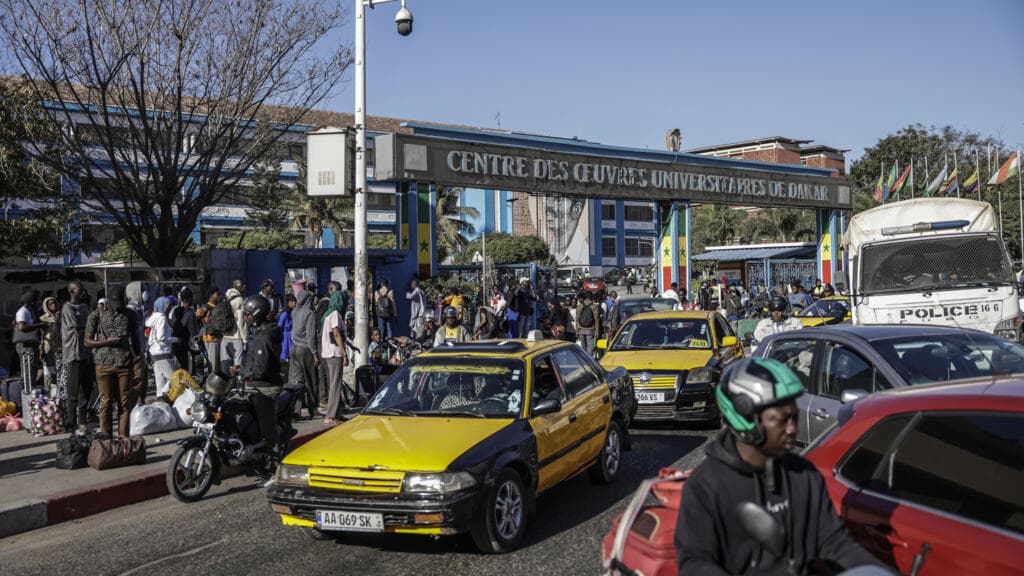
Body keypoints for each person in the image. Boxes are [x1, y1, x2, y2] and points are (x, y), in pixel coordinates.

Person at [675, 358, 880, 574]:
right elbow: (695, 563)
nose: (792, 429)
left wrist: (875, 571)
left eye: (794, 417)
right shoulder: (706, 485)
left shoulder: (805, 475)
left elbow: (834, 542)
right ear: (746, 420)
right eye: (782, 420)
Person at [233, 295, 283, 475]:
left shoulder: (264, 336)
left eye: (247, 314)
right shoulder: (262, 332)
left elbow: (260, 370)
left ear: (257, 314)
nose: (245, 318)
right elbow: (257, 362)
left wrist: (243, 372)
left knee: (267, 432)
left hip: (265, 388)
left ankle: (276, 470)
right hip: (255, 384)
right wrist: (243, 368)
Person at [85, 286, 140, 438]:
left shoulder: (131, 315)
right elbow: (87, 342)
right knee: (106, 401)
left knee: (124, 402)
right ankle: (106, 437)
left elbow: (136, 340)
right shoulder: (96, 315)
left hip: (124, 363)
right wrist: (106, 341)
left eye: (120, 301)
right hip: (103, 363)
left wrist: (139, 356)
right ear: (108, 301)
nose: (118, 305)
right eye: (115, 301)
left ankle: (123, 438)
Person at [62, 282, 94, 434]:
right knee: (73, 391)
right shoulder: (67, 308)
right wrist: (88, 331)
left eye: (82, 290)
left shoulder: (84, 307)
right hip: (74, 353)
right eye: (78, 291)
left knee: (85, 390)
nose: (81, 293)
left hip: (86, 353)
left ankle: (82, 421)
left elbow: (91, 325)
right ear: (71, 291)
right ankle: (70, 423)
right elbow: (77, 330)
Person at [288, 290, 321, 419]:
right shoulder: (309, 313)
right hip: (305, 350)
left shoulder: (294, 311)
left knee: (296, 382)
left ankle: (296, 410)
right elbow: (311, 336)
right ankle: (313, 409)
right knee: (311, 380)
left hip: (294, 348)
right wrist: (315, 354)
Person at [320, 290, 348, 424]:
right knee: (335, 384)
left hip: (327, 353)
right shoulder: (335, 314)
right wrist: (344, 353)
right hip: (334, 353)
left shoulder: (327, 314)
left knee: (333, 383)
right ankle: (330, 415)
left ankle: (336, 413)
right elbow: (336, 333)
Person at [145, 296, 179, 398]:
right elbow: (161, 337)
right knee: (173, 380)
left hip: (154, 353)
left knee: (160, 381)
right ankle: (168, 399)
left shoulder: (154, 317)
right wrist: (175, 339)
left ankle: (160, 400)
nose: (169, 308)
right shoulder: (162, 318)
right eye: (168, 306)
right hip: (162, 353)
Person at [14, 289, 43, 391]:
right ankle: (28, 393)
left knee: (32, 369)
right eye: (37, 300)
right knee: (28, 370)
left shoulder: (29, 311)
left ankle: (31, 390)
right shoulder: (22, 312)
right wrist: (39, 325)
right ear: (32, 301)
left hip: (31, 345)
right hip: (25, 346)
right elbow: (22, 327)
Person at [220, 279, 247, 375]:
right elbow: (241, 321)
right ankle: (237, 386)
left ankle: (225, 385)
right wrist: (245, 340)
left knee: (225, 364)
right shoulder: (240, 300)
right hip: (236, 336)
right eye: (243, 285)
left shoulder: (226, 297)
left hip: (225, 335)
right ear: (238, 286)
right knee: (237, 366)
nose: (244, 287)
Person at [168, 287, 198, 374]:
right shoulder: (190, 313)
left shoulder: (175, 311)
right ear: (189, 299)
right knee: (188, 371)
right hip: (186, 346)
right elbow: (193, 332)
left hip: (176, 344)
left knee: (178, 370)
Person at [196, 287, 223, 377]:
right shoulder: (207, 308)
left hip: (216, 338)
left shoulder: (217, 306)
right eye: (217, 294)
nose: (220, 296)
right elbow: (198, 317)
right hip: (211, 339)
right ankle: (212, 382)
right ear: (211, 296)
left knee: (217, 363)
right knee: (213, 363)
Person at [39, 296, 61, 395]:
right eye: (50, 303)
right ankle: (50, 394)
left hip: (60, 346)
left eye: (55, 303)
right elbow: (41, 335)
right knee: (49, 371)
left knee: (59, 370)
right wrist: (41, 349)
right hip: (48, 346)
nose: (53, 305)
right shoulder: (43, 318)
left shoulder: (61, 317)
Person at [576, 293, 602, 358]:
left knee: (582, 347)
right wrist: (597, 331)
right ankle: (589, 361)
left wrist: (577, 330)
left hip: (580, 329)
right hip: (590, 329)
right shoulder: (594, 306)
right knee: (590, 348)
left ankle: (583, 360)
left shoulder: (579, 306)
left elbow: (577, 319)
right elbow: (596, 319)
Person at [278, 294, 296, 363]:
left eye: (295, 301)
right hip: (285, 338)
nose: (294, 303)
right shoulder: (285, 314)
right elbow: (279, 327)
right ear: (287, 302)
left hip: (291, 337)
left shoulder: (292, 313)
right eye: (292, 301)